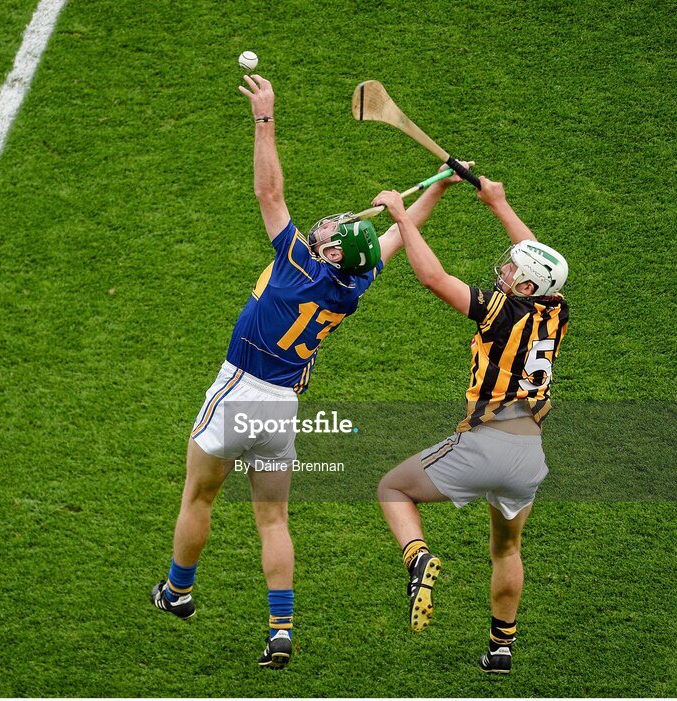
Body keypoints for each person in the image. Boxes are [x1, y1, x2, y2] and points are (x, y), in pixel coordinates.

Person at [150, 73, 467, 669]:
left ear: (325, 253)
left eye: (331, 231)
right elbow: (401, 232)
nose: (328, 224)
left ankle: (177, 591)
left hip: (240, 390)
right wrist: (438, 188)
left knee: (199, 495)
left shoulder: (298, 260)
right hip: (283, 409)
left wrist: (264, 118)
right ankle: (280, 630)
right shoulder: (356, 283)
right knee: (272, 517)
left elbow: (270, 195)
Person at [373, 178, 569, 674]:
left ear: (525, 287)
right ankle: (501, 648)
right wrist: (500, 204)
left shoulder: (502, 312)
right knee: (506, 547)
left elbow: (434, 278)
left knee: (392, 489)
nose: (503, 272)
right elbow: (544, 264)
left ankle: (417, 559)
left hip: (487, 442)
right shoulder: (555, 309)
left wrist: (401, 215)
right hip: (529, 457)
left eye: (512, 270)